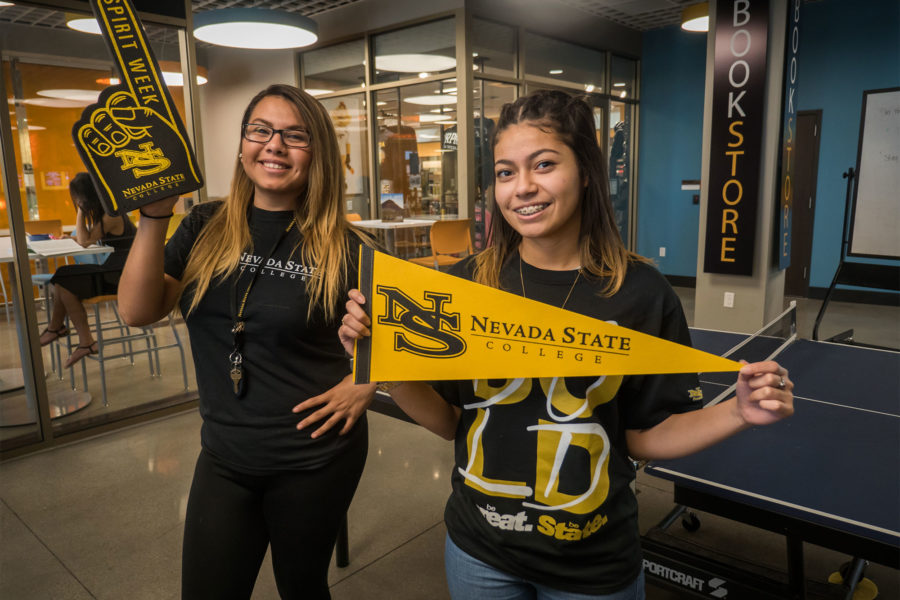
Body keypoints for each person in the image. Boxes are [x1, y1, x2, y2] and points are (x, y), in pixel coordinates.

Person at [338, 90, 794, 600]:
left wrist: (737, 412)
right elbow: (449, 422)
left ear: (586, 171)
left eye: (544, 164)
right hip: (479, 552)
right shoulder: (466, 286)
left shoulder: (641, 292)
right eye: (506, 172)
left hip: (594, 565)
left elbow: (642, 436)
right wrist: (384, 361)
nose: (522, 188)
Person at [117, 84, 377, 599]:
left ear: (317, 153)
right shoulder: (203, 226)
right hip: (224, 453)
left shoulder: (348, 248)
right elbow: (137, 310)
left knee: (301, 586)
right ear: (243, 145)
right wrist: (153, 215)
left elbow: (412, 339)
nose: (274, 145)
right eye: (261, 130)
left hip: (315, 456)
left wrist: (365, 382)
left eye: (295, 136)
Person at [38, 172, 137, 367]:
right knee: (62, 279)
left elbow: (85, 241)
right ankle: (66, 333)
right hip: (118, 268)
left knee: (63, 278)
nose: (77, 201)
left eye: (78, 198)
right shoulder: (108, 212)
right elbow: (89, 238)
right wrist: (71, 238)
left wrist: (80, 211)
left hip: (122, 274)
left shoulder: (111, 215)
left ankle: (70, 335)